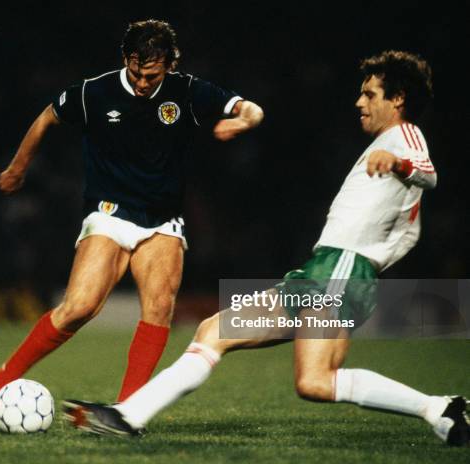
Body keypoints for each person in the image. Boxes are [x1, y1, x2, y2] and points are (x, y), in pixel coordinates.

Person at [62, 50, 470, 447]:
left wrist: (398, 164)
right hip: (320, 273)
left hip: (341, 272)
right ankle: (127, 415)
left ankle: (438, 408)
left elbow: (428, 175)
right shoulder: (384, 142)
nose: (359, 102)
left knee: (315, 381)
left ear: (398, 99)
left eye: (370, 94)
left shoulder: (405, 135)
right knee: (214, 331)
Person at [0, 19, 264, 429]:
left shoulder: (188, 91)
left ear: (171, 64)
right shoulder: (94, 91)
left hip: (162, 221)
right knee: (78, 308)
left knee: (158, 308)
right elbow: (48, 116)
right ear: (126, 60)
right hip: (109, 212)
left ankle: (125, 412)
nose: (140, 82)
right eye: (135, 71)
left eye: (151, 75)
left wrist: (243, 121)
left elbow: (253, 109)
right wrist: (18, 165)